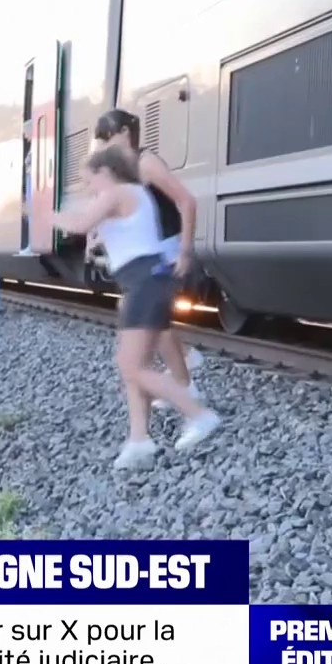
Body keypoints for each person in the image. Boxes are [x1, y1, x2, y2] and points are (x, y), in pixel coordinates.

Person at [49, 145, 222, 469]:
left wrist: (44, 213)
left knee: (133, 367)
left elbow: (79, 224)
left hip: (143, 283)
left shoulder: (117, 192)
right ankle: (139, 440)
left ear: (106, 172)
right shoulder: (134, 193)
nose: (89, 188)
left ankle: (198, 414)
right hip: (145, 281)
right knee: (134, 364)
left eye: (90, 180)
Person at [95, 109, 205, 408]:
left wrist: (185, 250)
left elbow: (187, 201)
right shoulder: (126, 168)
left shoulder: (146, 163)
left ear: (125, 133)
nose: (104, 145)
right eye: (101, 140)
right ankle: (184, 366)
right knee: (149, 318)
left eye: (107, 137)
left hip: (166, 247)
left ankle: (185, 386)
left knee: (151, 319)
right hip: (149, 251)